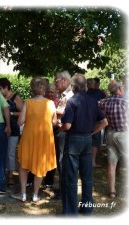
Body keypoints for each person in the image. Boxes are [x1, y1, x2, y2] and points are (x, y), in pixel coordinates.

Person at [60, 73, 108, 215]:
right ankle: (87, 209)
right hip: (87, 140)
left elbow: (67, 126)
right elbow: (104, 122)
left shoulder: (72, 101)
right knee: (87, 177)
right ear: (85, 86)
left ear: (73, 87)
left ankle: (71, 212)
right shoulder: (93, 101)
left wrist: (60, 126)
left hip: (74, 139)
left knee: (71, 177)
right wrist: (92, 132)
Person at [10, 77, 57, 202]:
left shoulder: (28, 102)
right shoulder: (51, 103)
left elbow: (20, 122)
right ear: (45, 89)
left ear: (32, 88)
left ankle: (23, 194)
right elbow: (54, 122)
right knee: (40, 165)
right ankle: (35, 195)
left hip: (29, 137)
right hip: (44, 138)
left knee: (24, 165)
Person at [99, 80, 128, 199]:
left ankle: (112, 191)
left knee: (111, 163)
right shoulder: (126, 102)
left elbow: (97, 109)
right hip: (124, 135)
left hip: (110, 134)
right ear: (120, 89)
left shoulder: (104, 102)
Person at [0, 77, 23, 187]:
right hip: (1, 128)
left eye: (0, 88)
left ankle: (10, 175)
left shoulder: (16, 97)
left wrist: (10, 113)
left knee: (11, 153)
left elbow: (22, 113)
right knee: (2, 152)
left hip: (14, 128)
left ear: (6, 87)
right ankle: (1, 175)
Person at [52, 70, 74, 200]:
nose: (55, 84)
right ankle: (62, 187)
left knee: (62, 161)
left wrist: (52, 110)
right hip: (62, 131)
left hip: (64, 131)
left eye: (56, 81)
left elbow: (63, 113)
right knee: (61, 161)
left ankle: (64, 189)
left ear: (64, 80)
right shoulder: (63, 94)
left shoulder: (68, 95)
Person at [86, 78, 107, 168]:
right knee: (95, 142)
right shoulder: (100, 93)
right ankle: (92, 162)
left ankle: (85, 161)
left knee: (86, 139)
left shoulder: (84, 93)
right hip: (97, 120)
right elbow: (106, 102)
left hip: (86, 119)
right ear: (94, 84)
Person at [43, 82, 59, 188]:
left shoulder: (57, 102)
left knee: (52, 155)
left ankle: (49, 180)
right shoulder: (42, 101)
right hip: (43, 131)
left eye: (52, 92)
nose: (50, 94)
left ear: (56, 93)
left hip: (54, 131)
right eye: (48, 92)